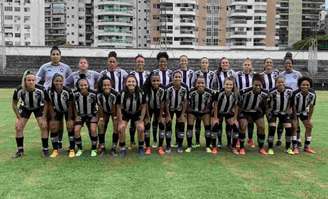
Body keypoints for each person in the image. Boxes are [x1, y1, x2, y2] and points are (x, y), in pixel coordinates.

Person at [36, 46, 72, 150]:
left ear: (60, 56)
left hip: (62, 98)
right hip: (49, 98)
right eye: (53, 54)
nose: (55, 56)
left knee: (60, 121)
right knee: (50, 121)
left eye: (57, 54)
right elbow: (37, 80)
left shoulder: (66, 67)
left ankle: (59, 142)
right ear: (50, 55)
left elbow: (71, 81)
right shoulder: (45, 67)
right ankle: (47, 144)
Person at [12, 70, 49, 158]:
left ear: (35, 80)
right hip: (25, 108)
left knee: (43, 126)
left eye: (33, 80)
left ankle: (45, 149)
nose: (31, 82)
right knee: (18, 127)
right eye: (29, 80)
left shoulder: (41, 89)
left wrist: (43, 117)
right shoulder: (19, 89)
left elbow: (47, 103)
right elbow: (14, 104)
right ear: (25, 81)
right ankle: (20, 150)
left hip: (38, 107)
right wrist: (19, 117)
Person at [238, 73, 269, 155]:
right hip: (245, 111)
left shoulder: (265, 93)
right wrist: (239, 115)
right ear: (252, 84)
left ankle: (261, 147)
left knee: (262, 126)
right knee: (243, 125)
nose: (258, 87)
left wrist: (264, 113)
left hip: (256, 112)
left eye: (259, 85)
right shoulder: (244, 92)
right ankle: (241, 147)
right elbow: (238, 103)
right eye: (256, 85)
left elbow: (265, 106)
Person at [118, 75, 147, 157]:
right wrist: (120, 121)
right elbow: (118, 107)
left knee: (141, 128)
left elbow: (144, 106)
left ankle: (141, 147)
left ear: (136, 83)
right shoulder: (122, 93)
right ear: (126, 83)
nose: (131, 83)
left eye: (133, 81)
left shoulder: (141, 93)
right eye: (129, 81)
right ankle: (122, 148)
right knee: (121, 128)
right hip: (126, 113)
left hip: (136, 113)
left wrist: (141, 119)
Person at [47, 73, 75, 158]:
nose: (58, 82)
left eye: (60, 81)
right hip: (57, 110)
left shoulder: (68, 91)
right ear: (53, 81)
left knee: (70, 126)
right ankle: (55, 149)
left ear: (63, 82)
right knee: (53, 126)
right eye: (56, 81)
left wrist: (70, 118)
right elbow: (50, 104)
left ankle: (72, 149)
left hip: (68, 111)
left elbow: (71, 105)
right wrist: (52, 117)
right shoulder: (49, 91)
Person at [211, 57, 236, 149]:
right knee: (219, 123)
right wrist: (215, 99)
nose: (225, 64)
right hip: (220, 99)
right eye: (223, 63)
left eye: (226, 63)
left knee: (229, 123)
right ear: (220, 64)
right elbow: (214, 86)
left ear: (229, 64)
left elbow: (235, 86)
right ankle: (219, 141)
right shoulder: (216, 74)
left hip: (230, 101)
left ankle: (229, 142)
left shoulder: (232, 73)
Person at [212, 77, 240, 155]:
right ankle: (214, 147)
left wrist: (234, 118)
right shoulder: (219, 93)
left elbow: (236, 106)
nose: (229, 86)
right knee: (215, 124)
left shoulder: (235, 94)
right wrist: (215, 118)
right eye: (227, 84)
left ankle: (233, 147)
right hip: (219, 113)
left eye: (230, 85)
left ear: (233, 85)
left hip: (228, 113)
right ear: (224, 85)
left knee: (236, 125)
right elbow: (216, 105)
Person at [186, 75, 213, 153]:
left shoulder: (209, 92)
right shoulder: (191, 91)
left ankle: (207, 146)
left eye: (202, 83)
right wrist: (190, 111)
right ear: (195, 83)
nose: (200, 84)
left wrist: (206, 111)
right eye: (198, 83)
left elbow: (211, 104)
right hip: (193, 111)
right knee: (190, 127)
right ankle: (189, 146)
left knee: (207, 128)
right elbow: (187, 103)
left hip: (204, 112)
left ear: (205, 84)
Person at [267, 76, 294, 155]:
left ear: (285, 83)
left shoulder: (289, 90)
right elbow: (268, 104)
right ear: (276, 83)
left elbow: (291, 101)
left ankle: (288, 148)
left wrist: (289, 110)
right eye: (279, 82)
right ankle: (270, 148)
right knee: (272, 127)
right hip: (274, 112)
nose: (281, 84)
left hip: (284, 112)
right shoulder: (272, 92)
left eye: (282, 82)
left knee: (289, 128)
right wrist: (269, 112)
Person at [192, 57, 215, 148]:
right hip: (198, 99)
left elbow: (214, 86)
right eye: (203, 62)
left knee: (207, 122)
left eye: (206, 62)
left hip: (208, 99)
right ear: (200, 64)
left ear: (208, 64)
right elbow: (193, 85)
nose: (204, 64)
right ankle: (197, 141)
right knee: (197, 121)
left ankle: (209, 143)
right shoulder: (196, 73)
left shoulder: (212, 74)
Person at [72, 76, 98, 157]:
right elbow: (73, 106)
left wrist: (96, 116)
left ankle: (94, 149)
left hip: (92, 115)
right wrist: (76, 116)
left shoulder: (93, 94)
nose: (83, 87)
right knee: (76, 130)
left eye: (85, 85)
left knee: (93, 130)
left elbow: (99, 106)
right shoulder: (75, 94)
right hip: (81, 115)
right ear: (78, 86)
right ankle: (80, 149)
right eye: (81, 85)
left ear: (88, 85)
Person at [129, 54, 150, 149]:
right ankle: (132, 140)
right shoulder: (131, 74)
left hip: (145, 102)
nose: (140, 63)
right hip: (134, 101)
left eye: (141, 61)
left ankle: (144, 142)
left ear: (144, 63)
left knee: (144, 121)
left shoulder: (148, 74)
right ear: (135, 63)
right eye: (138, 61)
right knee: (133, 122)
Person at [97, 75, 121, 157]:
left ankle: (114, 147)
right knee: (101, 125)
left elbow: (115, 106)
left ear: (111, 85)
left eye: (108, 85)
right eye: (104, 85)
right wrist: (101, 117)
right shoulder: (99, 94)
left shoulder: (115, 94)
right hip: (104, 111)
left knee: (116, 124)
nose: (106, 87)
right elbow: (100, 107)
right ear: (102, 85)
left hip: (113, 111)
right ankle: (102, 145)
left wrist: (115, 117)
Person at [280, 57, 303, 147]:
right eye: (286, 63)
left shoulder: (297, 74)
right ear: (284, 65)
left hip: (296, 100)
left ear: (292, 64)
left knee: (295, 119)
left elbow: (301, 85)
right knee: (283, 120)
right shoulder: (281, 75)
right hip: (285, 100)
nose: (288, 65)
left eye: (290, 63)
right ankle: (280, 139)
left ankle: (298, 139)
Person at [261, 58, 283, 146]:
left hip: (275, 102)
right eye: (267, 62)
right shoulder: (261, 75)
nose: (269, 64)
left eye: (270, 62)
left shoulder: (276, 74)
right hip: (264, 102)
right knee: (264, 121)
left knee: (275, 121)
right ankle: (265, 139)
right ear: (264, 64)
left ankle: (277, 139)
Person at [291, 77, 316, 154]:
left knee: (309, 126)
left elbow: (311, 107)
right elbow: (293, 106)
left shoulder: (313, 94)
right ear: (299, 85)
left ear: (310, 86)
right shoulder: (295, 93)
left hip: (304, 112)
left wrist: (309, 119)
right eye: (303, 85)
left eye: (307, 85)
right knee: (294, 126)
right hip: (294, 112)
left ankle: (307, 146)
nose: (305, 86)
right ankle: (295, 147)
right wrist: (295, 119)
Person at [164, 70, 188, 153]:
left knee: (181, 124)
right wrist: (167, 115)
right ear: (172, 78)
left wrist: (182, 114)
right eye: (176, 77)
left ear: (181, 78)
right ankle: (168, 145)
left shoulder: (184, 87)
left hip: (179, 108)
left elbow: (185, 102)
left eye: (179, 77)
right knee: (168, 124)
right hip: (169, 109)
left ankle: (179, 144)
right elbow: (166, 102)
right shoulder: (168, 88)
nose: (177, 78)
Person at [143, 72, 166, 155]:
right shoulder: (146, 88)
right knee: (147, 124)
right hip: (148, 108)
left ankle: (160, 147)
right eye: (153, 81)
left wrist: (160, 116)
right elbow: (145, 103)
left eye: (157, 80)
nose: (156, 82)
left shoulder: (163, 89)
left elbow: (163, 103)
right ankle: (148, 147)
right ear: (150, 81)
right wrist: (148, 117)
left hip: (159, 108)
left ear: (160, 81)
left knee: (162, 124)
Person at [235, 58, 256, 148]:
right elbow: (235, 85)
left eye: (248, 65)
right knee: (241, 121)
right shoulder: (237, 74)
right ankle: (239, 139)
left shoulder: (254, 75)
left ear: (251, 66)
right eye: (245, 65)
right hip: (241, 102)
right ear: (242, 66)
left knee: (250, 121)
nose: (247, 66)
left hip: (252, 102)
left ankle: (250, 139)